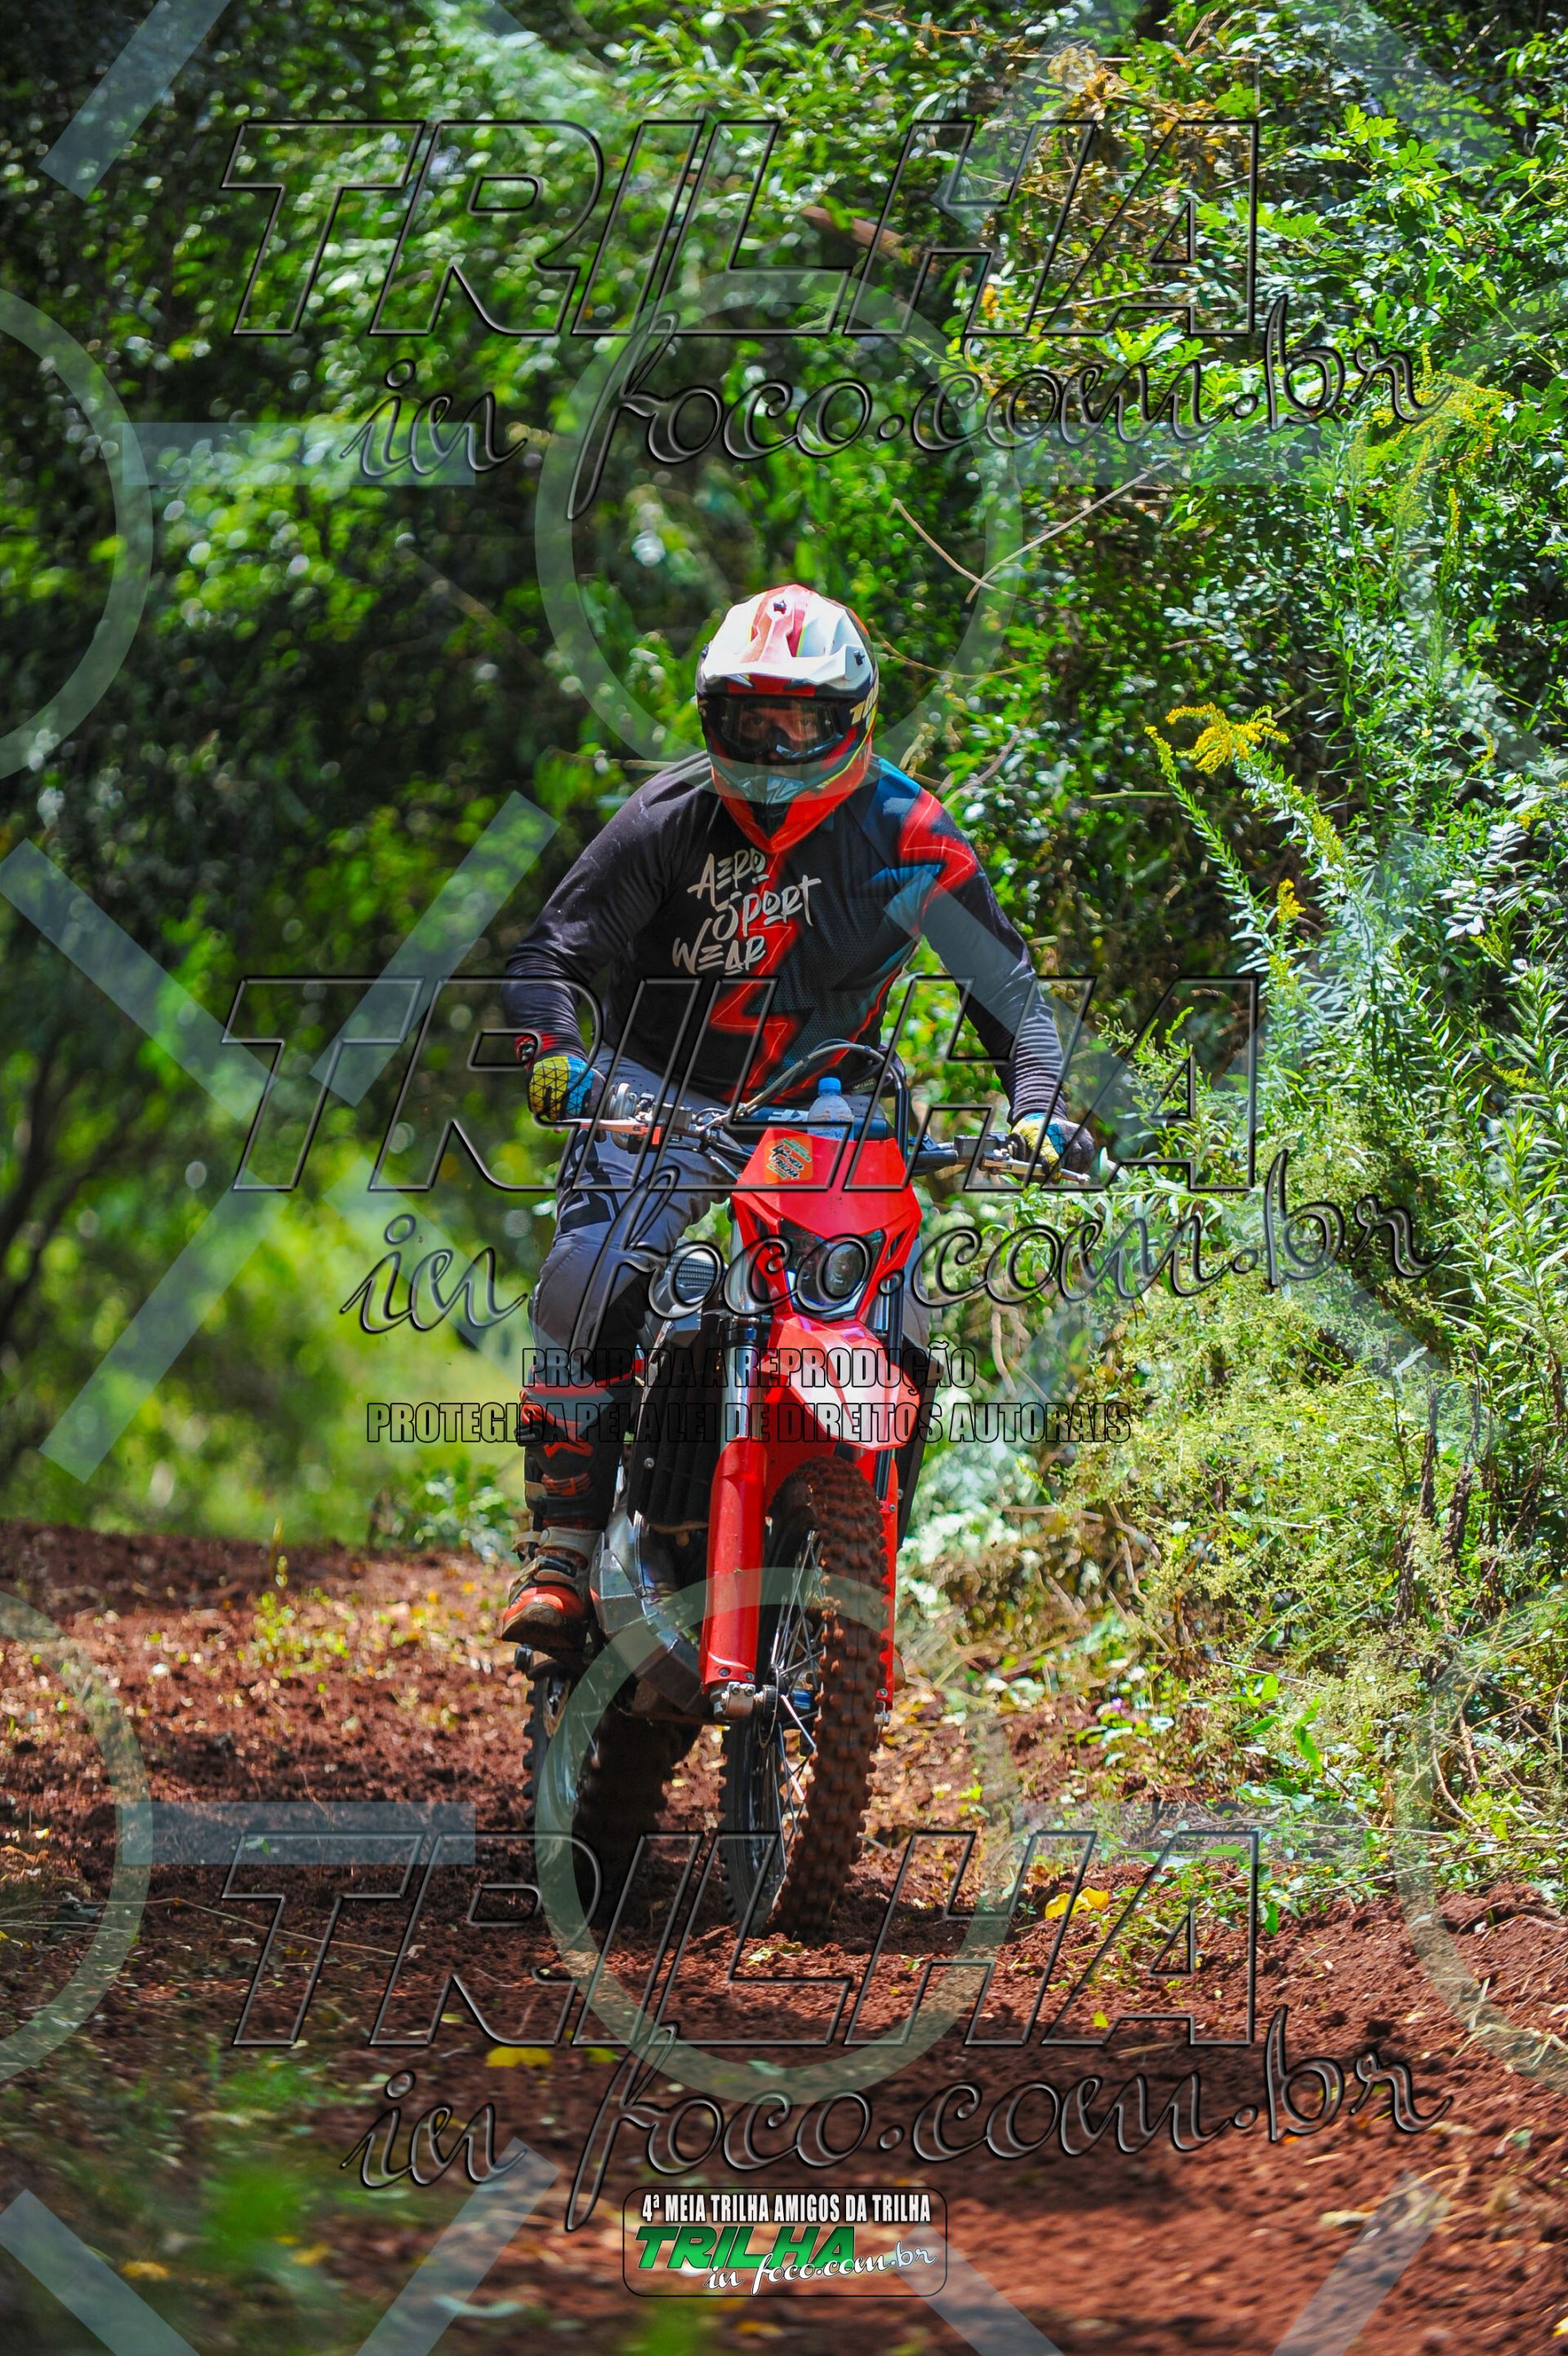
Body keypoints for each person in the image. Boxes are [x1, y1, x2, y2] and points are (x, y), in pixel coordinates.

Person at [497, 583, 1072, 1648]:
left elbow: (1011, 999)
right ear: (710, 716)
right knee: (588, 1279)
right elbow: (551, 958)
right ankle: (563, 1549)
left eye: (799, 721)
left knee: (892, 1323)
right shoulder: (669, 819)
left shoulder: (908, 835)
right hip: (653, 1090)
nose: (772, 745)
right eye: (750, 717)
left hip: (823, 1104)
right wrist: (556, 1057)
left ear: (853, 719)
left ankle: (855, 1546)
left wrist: (1036, 1110)